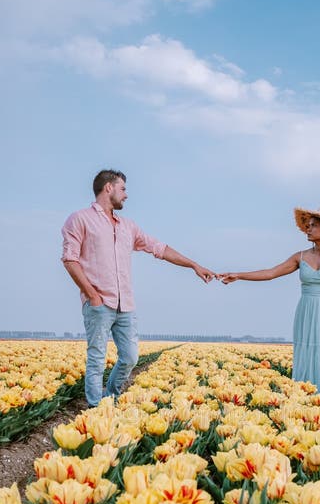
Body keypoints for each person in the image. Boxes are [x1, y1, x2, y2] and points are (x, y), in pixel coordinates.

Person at [62, 169, 215, 406]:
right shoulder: (80, 219)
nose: (126, 195)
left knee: (131, 357)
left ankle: (110, 396)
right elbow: (70, 260)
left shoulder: (127, 226)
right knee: (96, 359)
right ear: (108, 188)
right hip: (99, 303)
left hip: (126, 304)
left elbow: (160, 248)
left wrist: (193, 265)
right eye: (123, 189)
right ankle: (95, 409)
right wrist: (92, 295)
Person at [220, 206, 320, 403]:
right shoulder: (301, 256)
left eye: (313, 225)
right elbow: (271, 273)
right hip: (306, 312)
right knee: (306, 355)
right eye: (307, 225)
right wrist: (239, 275)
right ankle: (305, 404)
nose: (308, 228)